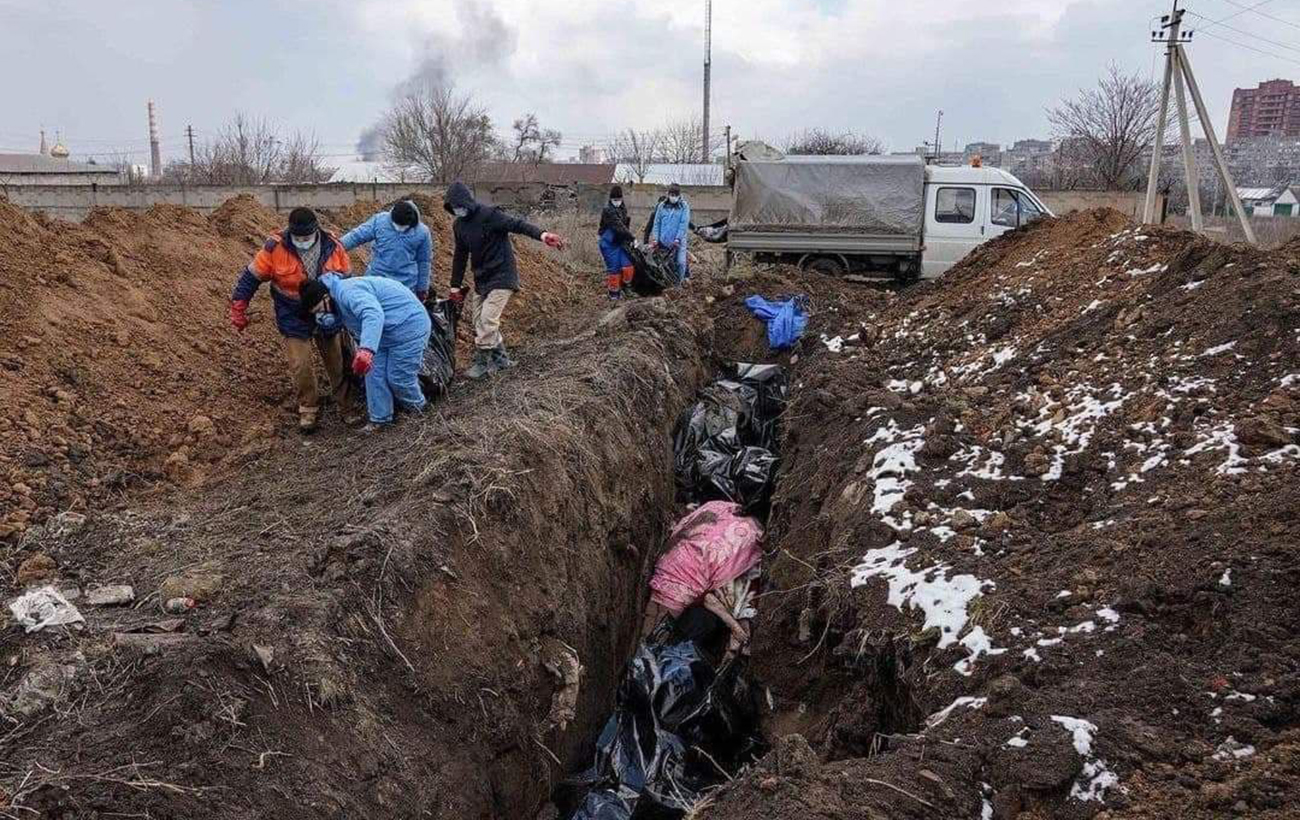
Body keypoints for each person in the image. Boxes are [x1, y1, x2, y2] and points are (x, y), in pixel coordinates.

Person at [229, 207, 352, 433]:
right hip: (292, 311)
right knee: (300, 363)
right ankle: (308, 408)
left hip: (326, 308)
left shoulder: (333, 246)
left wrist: (344, 311)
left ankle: (346, 405)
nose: (302, 242)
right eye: (298, 238)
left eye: (307, 238)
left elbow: (347, 280)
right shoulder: (275, 247)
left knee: (336, 360)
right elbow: (251, 277)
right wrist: (239, 305)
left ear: (316, 231)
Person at [442, 182, 566, 379]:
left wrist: (543, 235)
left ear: (468, 202)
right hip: (482, 278)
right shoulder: (459, 226)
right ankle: (501, 360)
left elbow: (517, 225)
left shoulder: (490, 216)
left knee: (488, 319)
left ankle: (482, 363)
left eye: (460, 205)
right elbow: (460, 256)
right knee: (478, 322)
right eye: (454, 207)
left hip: (502, 274)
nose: (458, 210)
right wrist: (455, 286)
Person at [299, 274, 432, 431]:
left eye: (320, 310)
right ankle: (380, 420)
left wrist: (366, 350)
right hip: (384, 334)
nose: (322, 316)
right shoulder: (337, 303)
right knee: (373, 375)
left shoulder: (348, 292)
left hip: (408, 327)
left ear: (326, 297)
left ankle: (420, 411)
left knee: (399, 377)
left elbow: (373, 314)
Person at [339, 200, 434, 300]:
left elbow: (424, 261)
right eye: (396, 226)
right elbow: (357, 236)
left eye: (403, 227)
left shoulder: (422, 232)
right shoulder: (380, 221)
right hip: (376, 280)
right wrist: (336, 247)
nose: (399, 229)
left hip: (405, 285)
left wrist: (422, 288)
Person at [598, 185, 636, 300]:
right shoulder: (608, 211)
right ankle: (614, 294)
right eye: (615, 200)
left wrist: (628, 239)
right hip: (608, 243)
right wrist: (632, 238)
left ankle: (625, 286)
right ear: (610, 199)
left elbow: (625, 226)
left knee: (628, 265)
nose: (617, 202)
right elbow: (618, 226)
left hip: (620, 242)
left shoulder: (623, 209)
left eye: (619, 199)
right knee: (614, 269)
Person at [651, 182, 692, 282]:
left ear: (679, 195)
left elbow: (683, 223)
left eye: (676, 195)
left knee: (681, 262)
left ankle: (679, 283)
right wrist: (656, 239)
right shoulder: (662, 206)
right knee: (666, 263)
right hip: (664, 241)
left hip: (679, 240)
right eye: (671, 195)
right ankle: (669, 282)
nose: (673, 197)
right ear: (668, 194)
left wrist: (678, 238)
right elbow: (657, 223)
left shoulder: (684, 206)